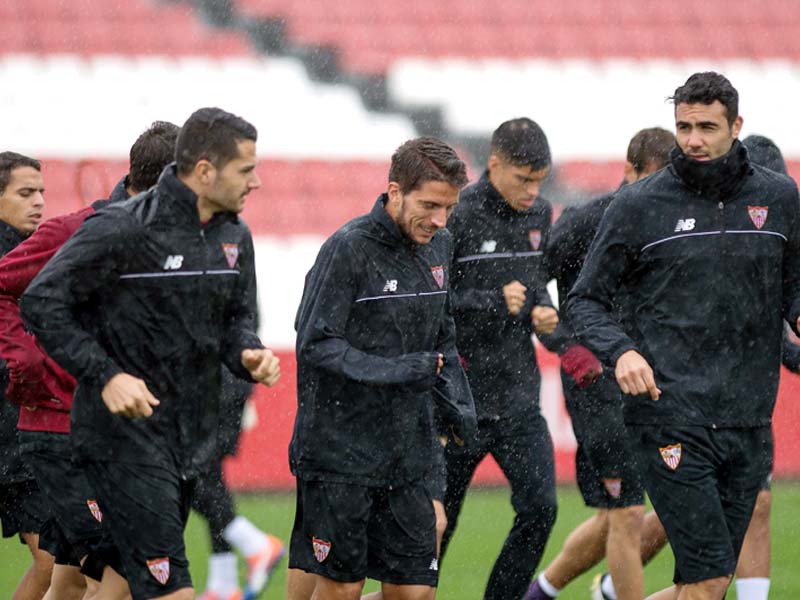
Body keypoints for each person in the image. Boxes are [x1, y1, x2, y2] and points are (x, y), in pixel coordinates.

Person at [20, 107, 281, 600]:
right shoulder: (123, 228)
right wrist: (107, 376)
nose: (258, 182)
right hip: (122, 444)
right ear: (205, 171)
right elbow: (41, 302)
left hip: (189, 443)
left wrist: (248, 353)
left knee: (109, 588)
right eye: (246, 170)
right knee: (171, 590)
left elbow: (234, 322)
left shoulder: (233, 236)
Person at [567, 72, 800, 600]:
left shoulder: (780, 198)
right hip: (669, 413)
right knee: (709, 576)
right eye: (684, 127)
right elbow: (583, 299)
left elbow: (795, 285)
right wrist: (621, 350)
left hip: (747, 417)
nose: (693, 139)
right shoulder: (639, 205)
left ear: (736, 126)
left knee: (708, 585)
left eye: (707, 127)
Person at [287, 137, 476, 600]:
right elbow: (315, 345)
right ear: (394, 192)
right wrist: (397, 371)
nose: (439, 220)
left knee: (414, 593)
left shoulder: (441, 245)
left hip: (407, 454)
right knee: (343, 589)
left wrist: (460, 406)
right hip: (339, 455)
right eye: (430, 205)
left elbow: (442, 338)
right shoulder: (347, 248)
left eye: (448, 208)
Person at [0, 122, 180, 599]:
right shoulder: (74, 231)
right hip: (58, 431)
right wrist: (28, 361)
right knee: (118, 574)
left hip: (117, 437)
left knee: (68, 578)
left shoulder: (170, 245)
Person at [525, 127, 676, 600]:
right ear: (628, 172)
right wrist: (569, 347)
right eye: (653, 180)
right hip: (597, 386)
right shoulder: (588, 220)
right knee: (628, 512)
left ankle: (543, 593)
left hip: (654, 379)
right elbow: (532, 280)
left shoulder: (673, 224)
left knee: (651, 507)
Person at [440, 117, 560, 600]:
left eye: (540, 180)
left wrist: (544, 309)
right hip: (458, 402)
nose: (533, 191)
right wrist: (492, 298)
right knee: (435, 527)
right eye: (523, 178)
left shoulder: (540, 215)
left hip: (516, 400)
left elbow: (534, 286)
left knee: (542, 508)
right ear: (493, 165)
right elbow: (435, 300)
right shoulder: (458, 214)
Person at [0, 151, 53, 600]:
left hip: (20, 439)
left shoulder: (36, 253)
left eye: (41, 192)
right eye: (25, 192)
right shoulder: (15, 262)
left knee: (56, 562)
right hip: (14, 438)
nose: (38, 201)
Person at [193, 367, 286, 600]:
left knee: (192, 477)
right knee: (209, 480)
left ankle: (256, 545)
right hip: (215, 383)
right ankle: (224, 583)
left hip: (214, 384)